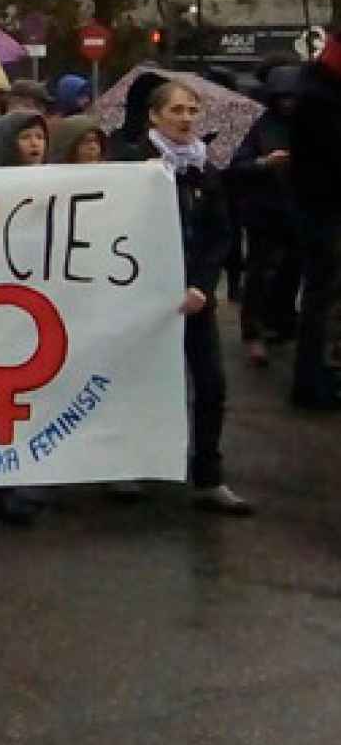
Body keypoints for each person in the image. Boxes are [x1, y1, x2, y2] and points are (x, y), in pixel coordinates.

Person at [130, 80, 253, 513]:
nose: (185, 119)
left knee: (211, 384)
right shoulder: (133, 162)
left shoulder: (205, 168)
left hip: (195, 298)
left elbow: (220, 233)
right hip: (144, 297)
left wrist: (202, 284)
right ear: (154, 116)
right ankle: (134, 468)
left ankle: (208, 476)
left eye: (192, 111)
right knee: (140, 385)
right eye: (177, 111)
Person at [228, 65, 302, 367]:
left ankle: (282, 322)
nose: (288, 103)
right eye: (282, 97)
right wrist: (262, 163)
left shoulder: (305, 122)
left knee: (292, 269)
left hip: (296, 207)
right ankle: (253, 330)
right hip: (262, 209)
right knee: (259, 271)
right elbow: (235, 165)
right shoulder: (254, 124)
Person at [289, 27, 341, 411]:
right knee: (322, 297)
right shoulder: (319, 98)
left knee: (322, 297)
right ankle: (312, 380)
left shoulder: (316, 90)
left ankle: (319, 374)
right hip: (323, 210)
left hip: (319, 207)